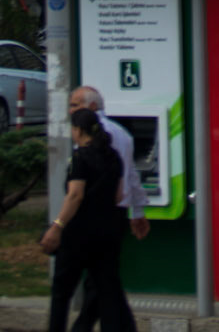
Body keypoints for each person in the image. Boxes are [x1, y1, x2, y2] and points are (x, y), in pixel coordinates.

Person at [43, 109, 130, 332]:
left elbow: (75, 195)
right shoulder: (113, 156)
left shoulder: (80, 157)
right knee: (107, 291)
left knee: (62, 291)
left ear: (78, 131)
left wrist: (57, 226)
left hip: (78, 235)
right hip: (108, 232)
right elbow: (119, 195)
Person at [68, 86, 146, 332]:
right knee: (103, 276)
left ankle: (88, 326)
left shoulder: (89, 136)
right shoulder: (123, 134)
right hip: (117, 214)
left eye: (75, 105)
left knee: (102, 278)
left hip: (94, 214)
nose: (70, 111)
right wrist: (137, 212)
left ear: (92, 107)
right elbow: (131, 176)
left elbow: (81, 186)